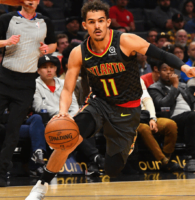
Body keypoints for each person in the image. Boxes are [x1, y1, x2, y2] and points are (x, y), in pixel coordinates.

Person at [26, 1, 195, 199]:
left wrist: (184, 68)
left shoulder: (125, 41)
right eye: (91, 22)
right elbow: (68, 88)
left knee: (112, 169)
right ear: (84, 25)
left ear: (108, 22)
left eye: (100, 21)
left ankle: (127, 142)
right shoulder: (78, 52)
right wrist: (63, 111)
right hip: (99, 104)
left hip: (127, 111)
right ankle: (41, 185)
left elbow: (160, 53)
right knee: (68, 138)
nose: (96, 26)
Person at [0, 0, 56, 187]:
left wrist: (48, 50)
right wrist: (6, 42)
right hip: (4, 79)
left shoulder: (45, 21)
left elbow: (53, 44)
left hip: (26, 84)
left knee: (13, 130)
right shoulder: (7, 18)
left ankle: (1, 172)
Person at [33, 54, 104, 176]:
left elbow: (74, 106)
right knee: (73, 129)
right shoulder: (34, 84)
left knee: (85, 122)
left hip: (67, 119)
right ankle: (95, 157)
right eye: (45, 67)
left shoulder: (64, 82)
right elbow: (39, 106)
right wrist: (62, 113)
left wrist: (68, 117)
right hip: (49, 121)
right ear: (38, 70)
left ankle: (92, 163)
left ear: (56, 69)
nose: (49, 70)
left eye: (51, 66)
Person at [148, 62, 195, 172]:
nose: (169, 72)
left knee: (193, 115)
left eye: (171, 70)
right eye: (165, 70)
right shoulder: (154, 88)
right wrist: (174, 86)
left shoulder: (183, 86)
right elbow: (163, 106)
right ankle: (192, 157)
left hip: (190, 116)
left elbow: (193, 102)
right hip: (171, 119)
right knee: (192, 116)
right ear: (158, 72)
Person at [137, 79, 179, 171]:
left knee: (170, 124)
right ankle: (163, 160)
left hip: (146, 115)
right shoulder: (117, 82)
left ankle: (167, 157)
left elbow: (147, 100)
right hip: (132, 119)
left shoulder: (138, 79)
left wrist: (152, 118)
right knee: (144, 128)